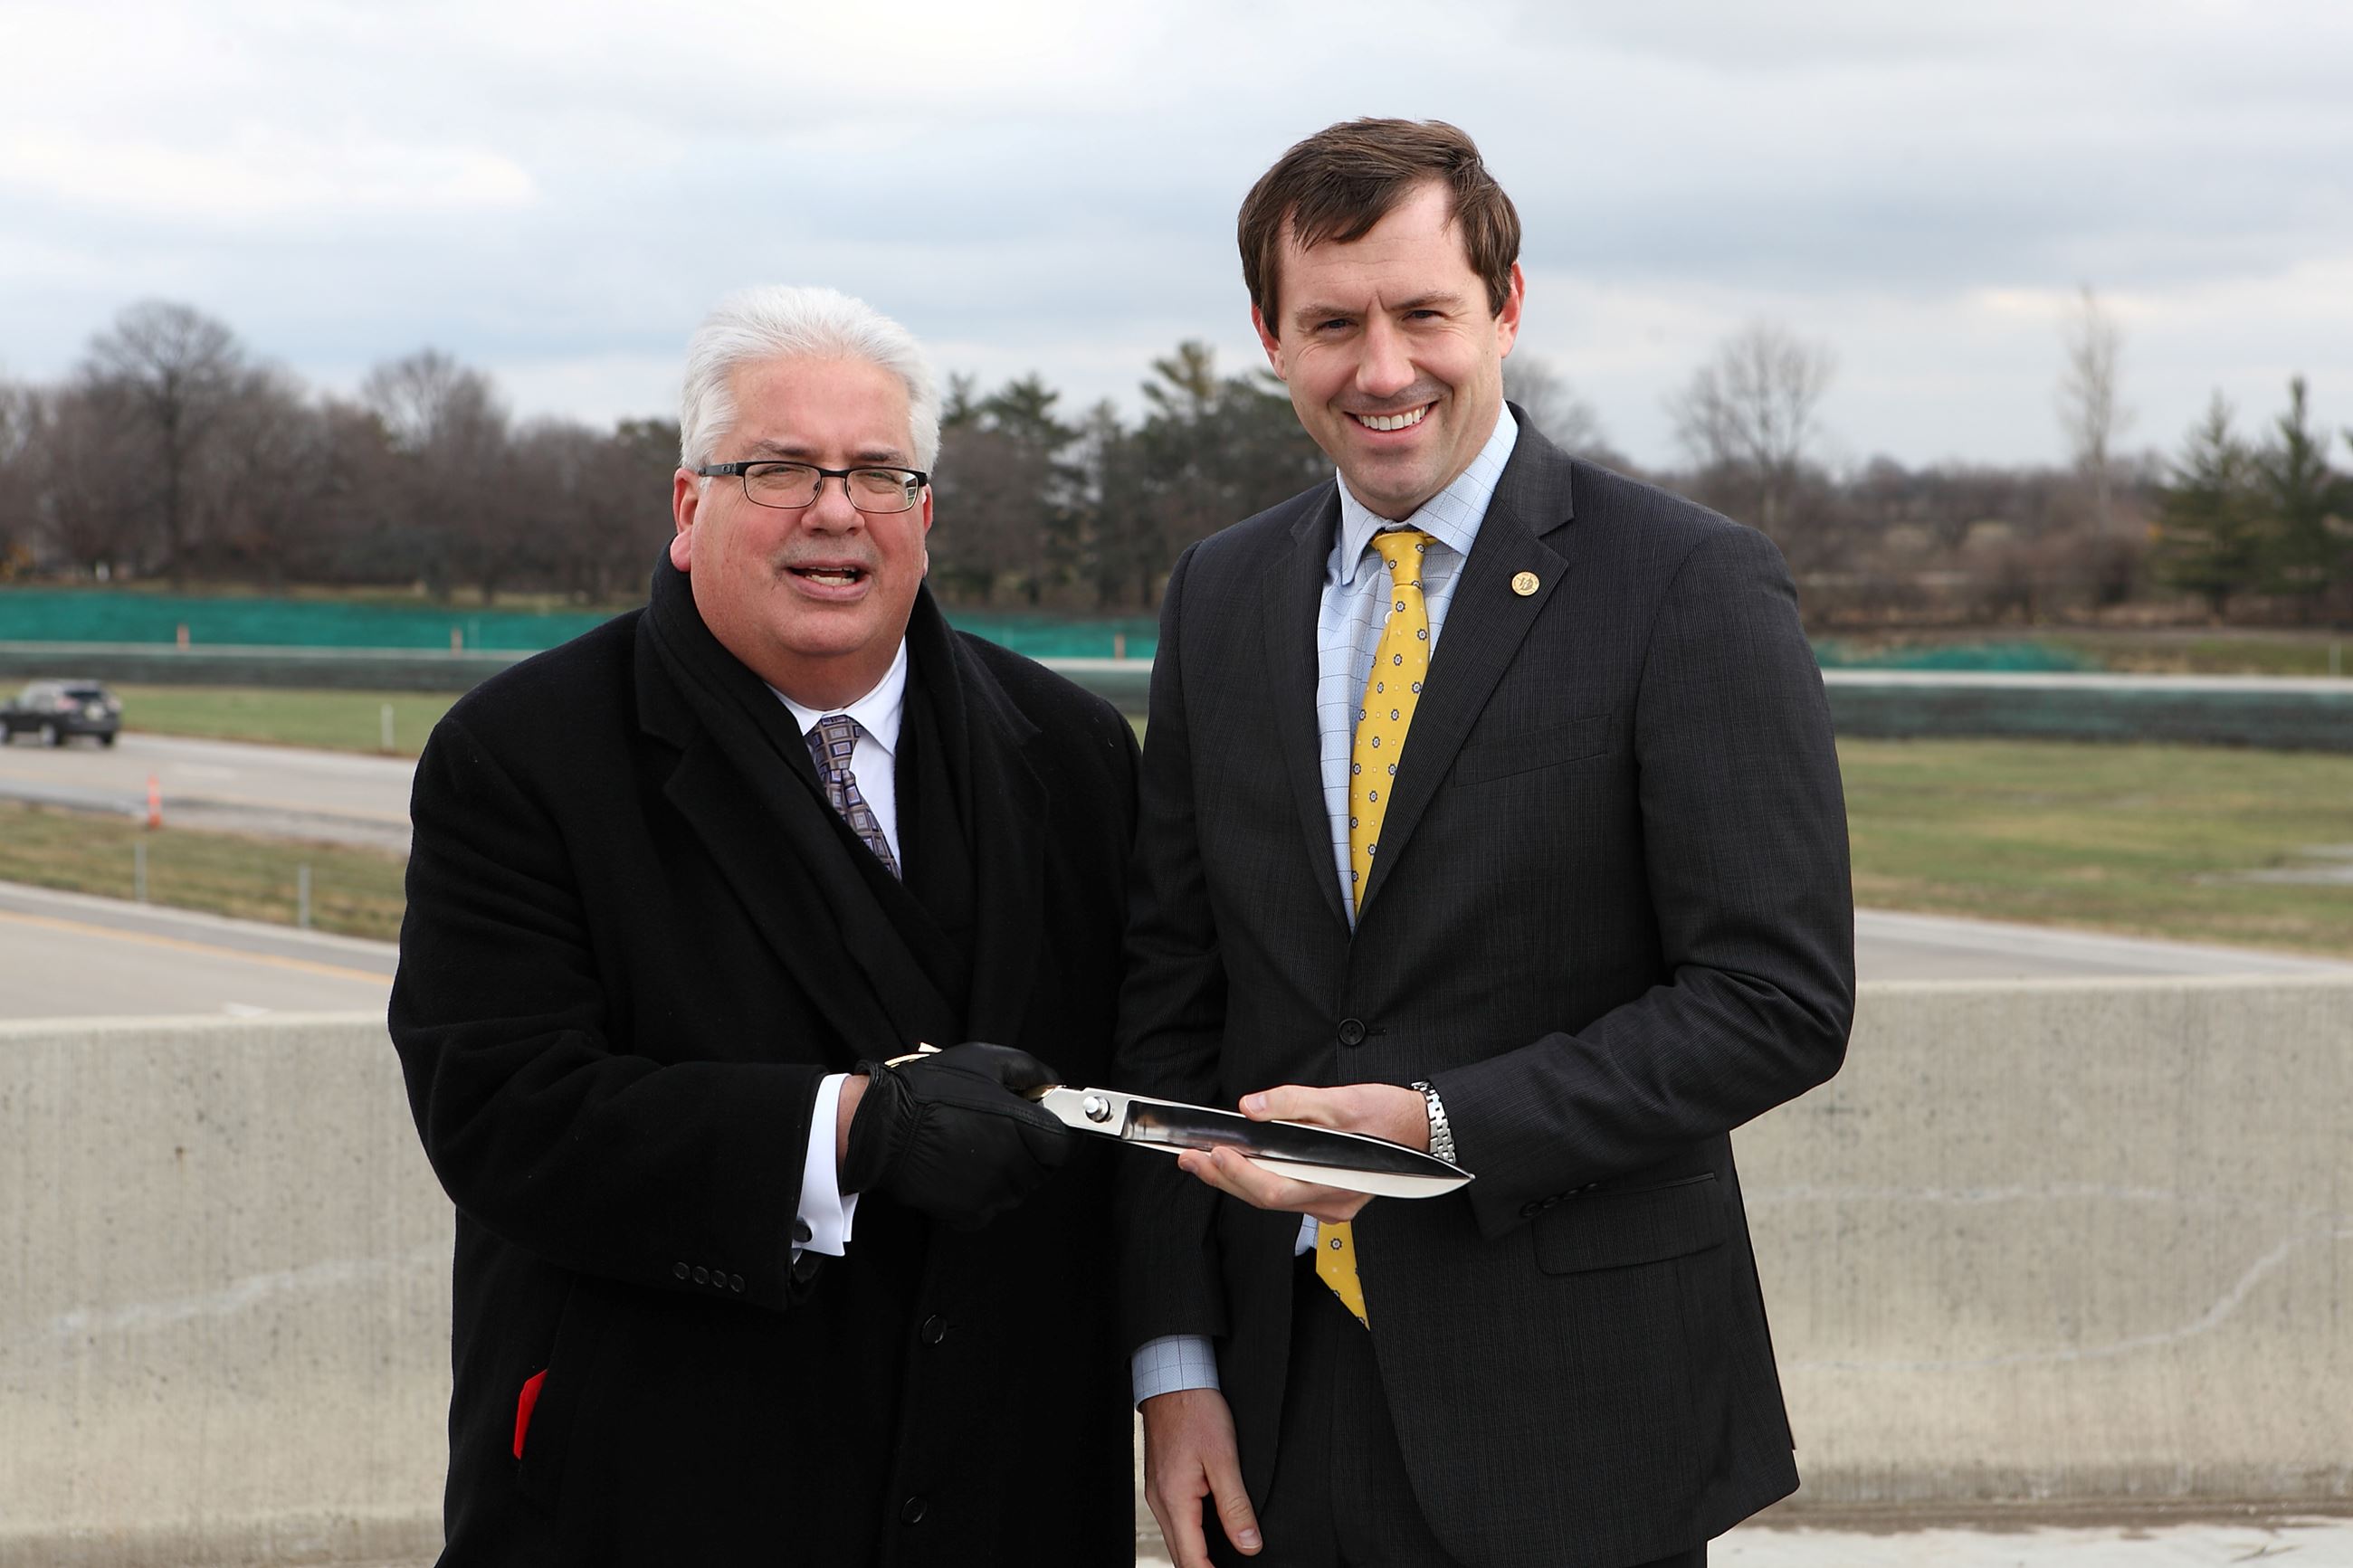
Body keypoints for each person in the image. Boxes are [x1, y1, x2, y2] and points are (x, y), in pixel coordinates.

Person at [1116, 119, 1855, 1568]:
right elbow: (1169, 987)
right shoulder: (1218, 595)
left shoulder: (1687, 585)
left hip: (1577, 1403)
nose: (1382, 369)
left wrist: (1438, 1126)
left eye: (1423, 313)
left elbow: (1776, 999)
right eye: (1332, 323)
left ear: (1505, 308)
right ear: (1271, 337)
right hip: (1281, 1397)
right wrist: (1174, 1365)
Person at [390, 285, 1141, 1565]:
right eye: (778, 468)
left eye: (876, 474)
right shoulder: (523, 757)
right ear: (690, 509)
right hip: (660, 1494)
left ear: (924, 513)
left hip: (1007, 1488)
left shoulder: (1075, 755)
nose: (834, 510)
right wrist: (847, 1130)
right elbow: (504, 1109)